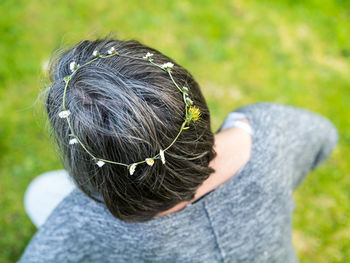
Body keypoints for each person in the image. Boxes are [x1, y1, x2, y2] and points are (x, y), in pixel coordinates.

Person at [19, 37, 338, 263]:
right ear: (188, 97)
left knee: (41, 192)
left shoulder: (80, 220)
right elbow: (326, 137)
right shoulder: (271, 132)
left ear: (87, 163)